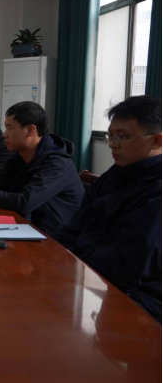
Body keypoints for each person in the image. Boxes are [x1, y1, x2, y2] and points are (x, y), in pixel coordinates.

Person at [55, 96, 161, 322]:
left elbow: (127, 264)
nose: (113, 144)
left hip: (142, 301)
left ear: (156, 140)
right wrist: (58, 256)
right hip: (92, 278)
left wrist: (73, 260)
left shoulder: (157, 190)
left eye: (123, 136)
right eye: (110, 135)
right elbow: (75, 227)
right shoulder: (113, 176)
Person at [0, 101, 84, 236]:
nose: (4, 134)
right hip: (26, 226)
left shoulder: (56, 163)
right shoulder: (19, 156)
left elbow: (25, 202)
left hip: (57, 238)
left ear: (31, 130)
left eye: (9, 128)